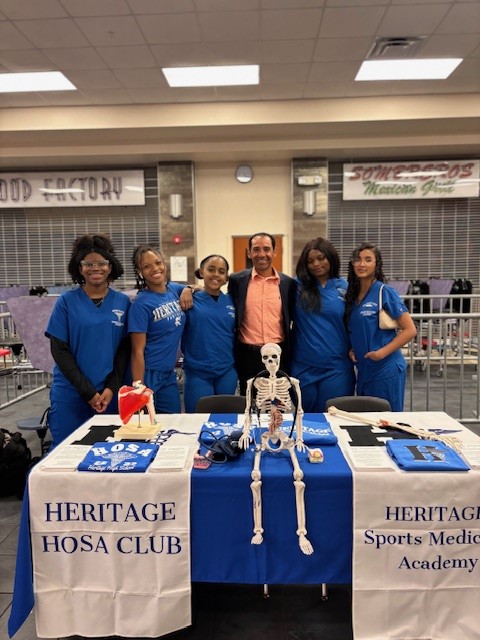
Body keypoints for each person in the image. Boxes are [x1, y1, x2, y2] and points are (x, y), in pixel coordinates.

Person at [45, 234, 130, 448]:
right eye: (88, 264)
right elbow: (59, 351)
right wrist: (88, 392)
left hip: (108, 394)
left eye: (101, 263)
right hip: (71, 393)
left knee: (108, 452)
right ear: (80, 268)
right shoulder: (66, 302)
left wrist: (111, 388)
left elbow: (124, 350)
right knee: (66, 451)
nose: (95, 268)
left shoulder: (122, 302)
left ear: (110, 267)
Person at [345, 242, 417, 411]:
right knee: (367, 420)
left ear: (376, 264)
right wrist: (353, 349)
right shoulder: (353, 296)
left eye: (368, 260)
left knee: (386, 419)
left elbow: (410, 330)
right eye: (357, 260)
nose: (362, 264)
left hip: (385, 369)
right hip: (364, 370)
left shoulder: (384, 292)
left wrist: (381, 353)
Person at [291, 237, 355, 413]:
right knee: (305, 420)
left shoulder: (346, 287)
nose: (316, 264)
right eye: (310, 261)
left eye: (321, 258)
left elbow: (356, 322)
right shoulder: (296, 287)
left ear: (331, 257)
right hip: (303, 366)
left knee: (333, 418)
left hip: (337, 368)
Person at [228, 232, 296, 394]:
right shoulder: (237, 280)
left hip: (278, 355)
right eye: (256, 249)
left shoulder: (288, 283)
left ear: (274, 252)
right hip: (247, 355)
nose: (261, 254)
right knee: (249, 403)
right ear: (249, 253)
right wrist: (190, 289)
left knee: (278, 403)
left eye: (266, 249)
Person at [128, 244, 193, 414]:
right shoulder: (140, 305)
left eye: (158, 263)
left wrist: (188, 289)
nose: (155, 269)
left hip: (168, 373)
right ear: (140, 272)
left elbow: (194, 287)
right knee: (146, 423)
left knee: (174, 420)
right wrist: (139, 387)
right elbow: (137, 350)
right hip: (148, 373)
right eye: (147, 266)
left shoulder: (173, 289)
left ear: (164, 264)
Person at [181, 254, 237, 412]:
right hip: (197, 371)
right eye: (211, 269)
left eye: (221, 271)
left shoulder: (232, 301)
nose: (216, 275)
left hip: (226, 369)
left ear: (226, 278)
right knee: (197, 420)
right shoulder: (189, 300)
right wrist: (188, 288)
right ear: (201, 272)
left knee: (226, 420)